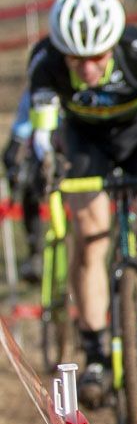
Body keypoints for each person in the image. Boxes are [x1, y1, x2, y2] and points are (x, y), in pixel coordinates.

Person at [25, 0, 137, 406]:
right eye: (75, 60)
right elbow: (43, 131)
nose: (85, 70)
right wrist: (44, 155)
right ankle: (96, 344)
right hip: (86, 143)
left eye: (96, 58)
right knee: (89, 234)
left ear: (114, 43)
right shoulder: (44, 60)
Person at [3, 91, 48, 284]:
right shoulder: (37, 87)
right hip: (40, 141)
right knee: (29, 184)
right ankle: (35, 252)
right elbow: (22, 126)